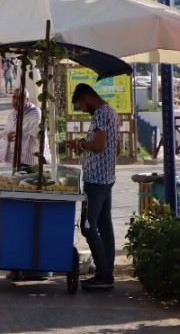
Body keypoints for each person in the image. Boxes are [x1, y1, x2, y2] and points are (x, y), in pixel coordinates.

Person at [65, 83, 119, 291]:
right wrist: (83, 144)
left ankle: (103, 274)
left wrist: (81, 144)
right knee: (104, 226)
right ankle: (107, 271)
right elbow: (111, 146)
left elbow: (98, 146)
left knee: (88, 226)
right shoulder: (111, 112)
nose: (82, 110)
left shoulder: (100, 115)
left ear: (86, 98)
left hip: (96, 180)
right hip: (107, 177)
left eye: (80, 105)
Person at [0, 89, 48, 171]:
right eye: (14, 97)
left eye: (19, 98)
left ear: (26, 100)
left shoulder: (35, 113)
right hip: (18, 160)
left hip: (34, 162)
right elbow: (3, 136)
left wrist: (15, 137)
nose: (16, 101)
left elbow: (37, 134)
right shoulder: (13, 114)